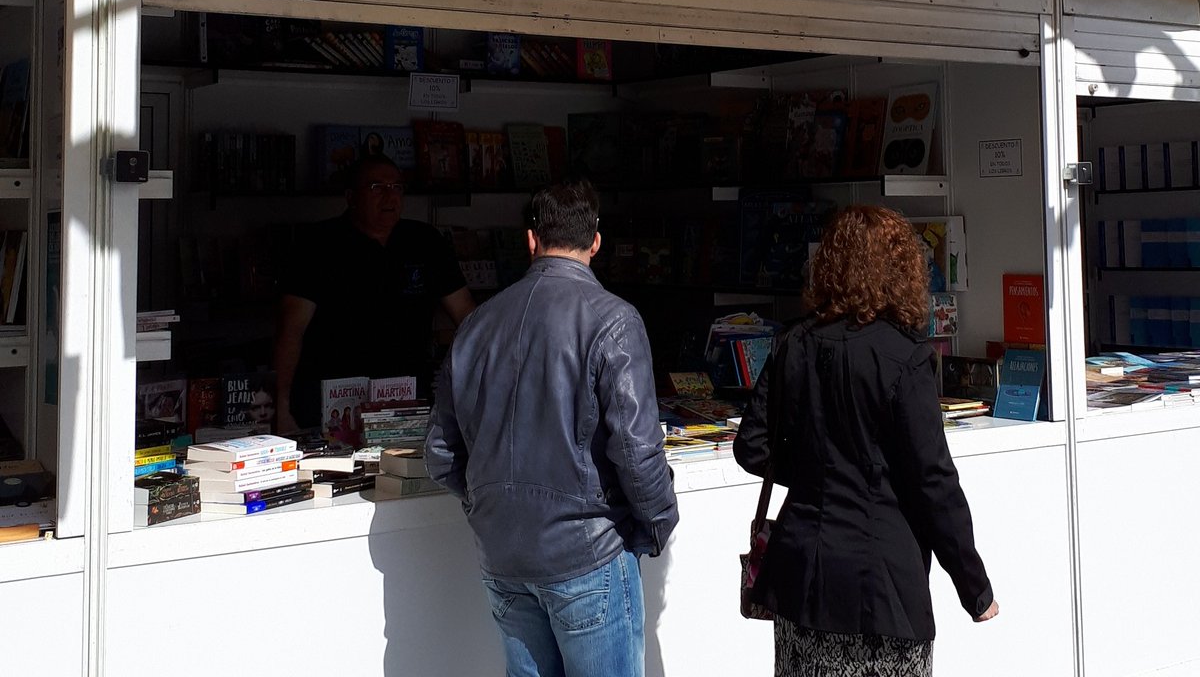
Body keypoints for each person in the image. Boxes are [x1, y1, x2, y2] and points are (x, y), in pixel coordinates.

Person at [426, 178, 679, 677]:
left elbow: (441, 453)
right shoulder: (613, 320)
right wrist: (656, 525)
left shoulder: (477, 325)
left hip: (503, 556)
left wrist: (492, 505)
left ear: (531, 240)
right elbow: (637, 450)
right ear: (597, 242)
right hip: (587, 552)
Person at [733, 204, 998, 677]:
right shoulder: (905, 358)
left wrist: (819, 471)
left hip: (801, 574)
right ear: (901, 272)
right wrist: (974, 588)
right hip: (881, 583)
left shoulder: (793, 343)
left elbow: (752, 447)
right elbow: (932, 482)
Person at [273, 155, 474, 434]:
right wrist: (282, 408)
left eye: (397, 187)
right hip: (332, 400)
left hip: (406, 398)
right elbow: (290, 331)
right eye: (377, 187)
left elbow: (467, 318)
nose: (390, 196)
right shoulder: (318, 244)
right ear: (351, 197)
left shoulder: (424, 241)